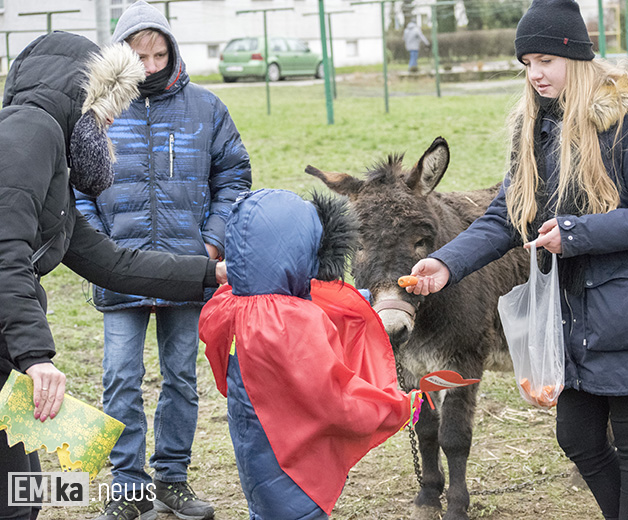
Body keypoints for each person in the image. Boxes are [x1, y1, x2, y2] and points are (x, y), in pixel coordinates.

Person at [404, 1, 628, 519]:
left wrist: (577, 232)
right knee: (578, 435)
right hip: (573, 314)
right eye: (526, 64)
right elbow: (506, 218)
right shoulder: (535, 129)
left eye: (544, 62)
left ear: (574, 58)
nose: (533, 75)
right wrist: (446, 264)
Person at [0, 31, 227, 520]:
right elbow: (5, 253)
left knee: (24, 492)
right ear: (89, 99)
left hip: (5, 351)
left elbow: (112, 263)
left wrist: (213, 273)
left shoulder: (50, 154)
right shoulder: (29, 131)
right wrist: (36, 356)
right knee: (17, 498)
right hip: (12, 348)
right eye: (108, 113)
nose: (110, 126)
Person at [74, 2, 252, 520]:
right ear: (118, 55)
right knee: (120, 379)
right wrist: (101, 248)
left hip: (186, 270)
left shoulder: (207, 107)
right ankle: (127, 488)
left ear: (172, 51)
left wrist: (211, 244)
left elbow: (233, 178)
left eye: (158, 54)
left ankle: (172, 479)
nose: (149, 66)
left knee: (179, 377)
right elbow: (78, 186)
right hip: (117, 269)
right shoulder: (96, 112)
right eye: (138, 54)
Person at [199, 189, 422, 520]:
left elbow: (313, 299)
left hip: (257, 456)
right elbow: (335, 397)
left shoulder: (231, 303)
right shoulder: (289, 321)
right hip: (297, 468)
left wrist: (362, 299)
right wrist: (398, 409)